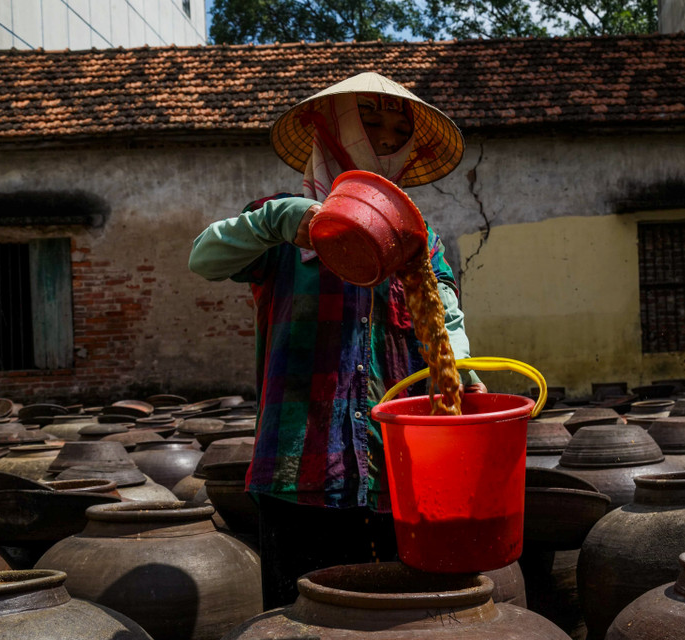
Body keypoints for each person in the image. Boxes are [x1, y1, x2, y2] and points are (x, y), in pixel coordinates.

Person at [188, 72, 485, 610]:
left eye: (398, 130)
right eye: (370, 124)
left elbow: (447, 316)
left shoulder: (420, 242)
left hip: (402, 477)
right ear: (332, 128)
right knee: (305, 620)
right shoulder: (280, 225)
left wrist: (461, 363)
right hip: (300, 471)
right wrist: (277, 223)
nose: (386, 139)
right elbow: (203, 258)